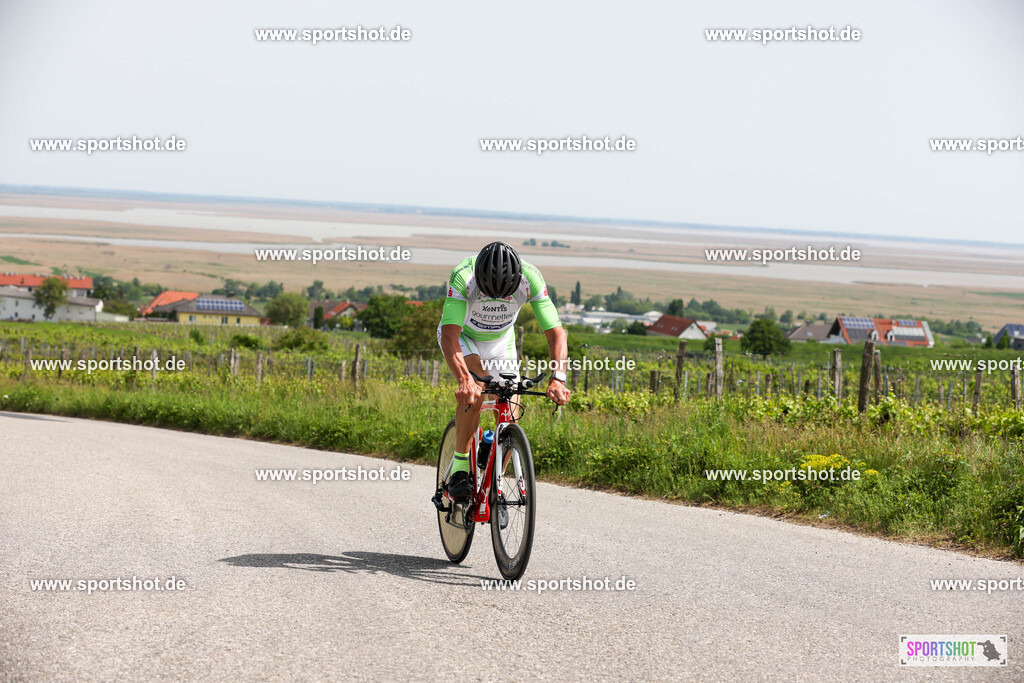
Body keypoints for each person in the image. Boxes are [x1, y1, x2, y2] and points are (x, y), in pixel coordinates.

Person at [436, 241, 571, 501]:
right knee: (477, 390)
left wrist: (558, 378)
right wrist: (465, 380)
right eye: (489, 292)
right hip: (464, 338)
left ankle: (494, 456)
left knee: (511, 406)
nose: (497, 299)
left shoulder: (531, 277)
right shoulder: (463, 275)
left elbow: (556, 333)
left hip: (500, 341)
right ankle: (461, 469)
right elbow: (450, 334)